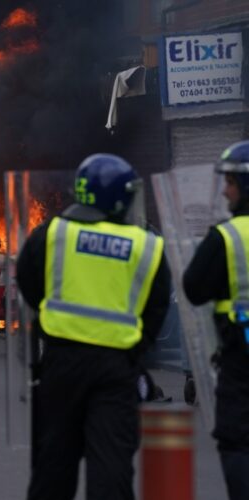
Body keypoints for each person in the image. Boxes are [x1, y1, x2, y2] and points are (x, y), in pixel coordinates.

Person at [16, 153, 170, 500]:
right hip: (117, 369)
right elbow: (157, 306)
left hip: (61, 364)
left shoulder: (53, 234)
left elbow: (27, 279)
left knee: (54, 466)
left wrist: (50, 317)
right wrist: (136, 348)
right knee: (111, 467)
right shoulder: (145, 246)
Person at [183, 140, 249, 499]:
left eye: (231, 183)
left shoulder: (226, 236)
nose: (225, 191)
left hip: (241, 358)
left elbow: (193, 288)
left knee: (237, 441)